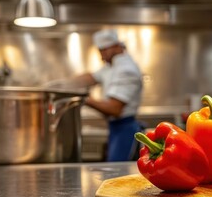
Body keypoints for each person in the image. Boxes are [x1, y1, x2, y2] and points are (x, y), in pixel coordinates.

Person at [50, 29, 143, 161]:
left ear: (116, 46)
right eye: (100, 51)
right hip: (115, 127)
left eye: (104, 50)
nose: (101, 55)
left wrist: (82, 98)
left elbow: (115, 109)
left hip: (125, 129)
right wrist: (63, 84)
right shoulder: (112, 66)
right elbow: (91, 77)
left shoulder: (126, 70)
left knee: (117, 169)